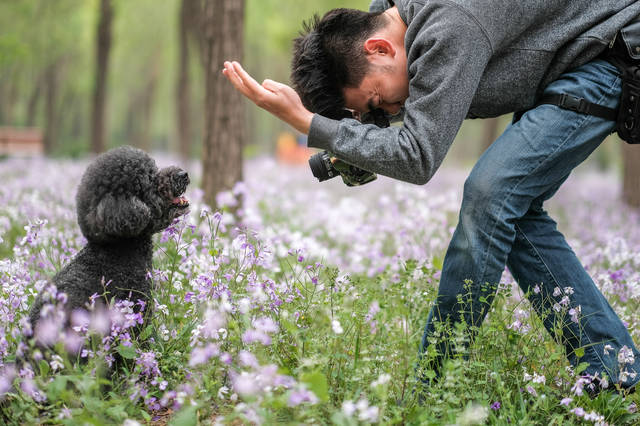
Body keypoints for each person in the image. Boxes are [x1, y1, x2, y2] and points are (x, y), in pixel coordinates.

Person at [223, 0, 640, 393]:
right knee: (511, 207)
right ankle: (615, 370)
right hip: (577, 53)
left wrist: (305, 121)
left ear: (379, 48)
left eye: (376, 99)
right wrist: (358, 129)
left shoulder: (449, 26)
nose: (388, 110)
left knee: (491, 195)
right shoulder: (393, 19)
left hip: (612, 46)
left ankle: (434, 386)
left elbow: (419, 156)